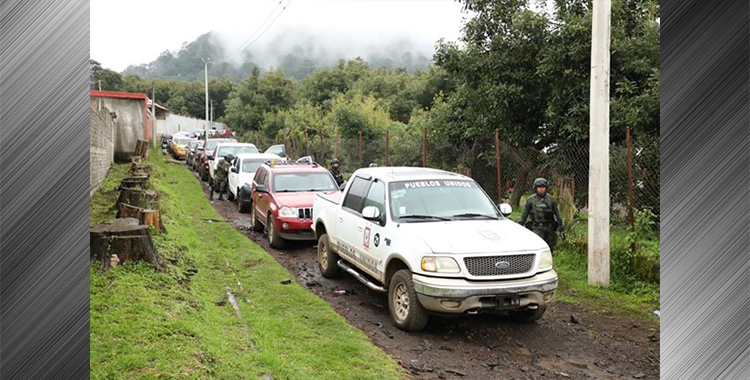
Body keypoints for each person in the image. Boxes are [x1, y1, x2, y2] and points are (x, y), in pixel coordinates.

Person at [518, 178, 564, 254]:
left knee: (550, 247)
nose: (541, 189)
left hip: (550, 227)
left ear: (546, 188)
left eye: (543, 187)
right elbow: (524, 215)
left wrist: (561, 227)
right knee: (538, 247)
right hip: (537, 227)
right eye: (539, 187)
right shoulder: (530, 200)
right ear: (535, 188)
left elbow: (557, 214)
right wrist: (519, 226)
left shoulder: (551, 200)